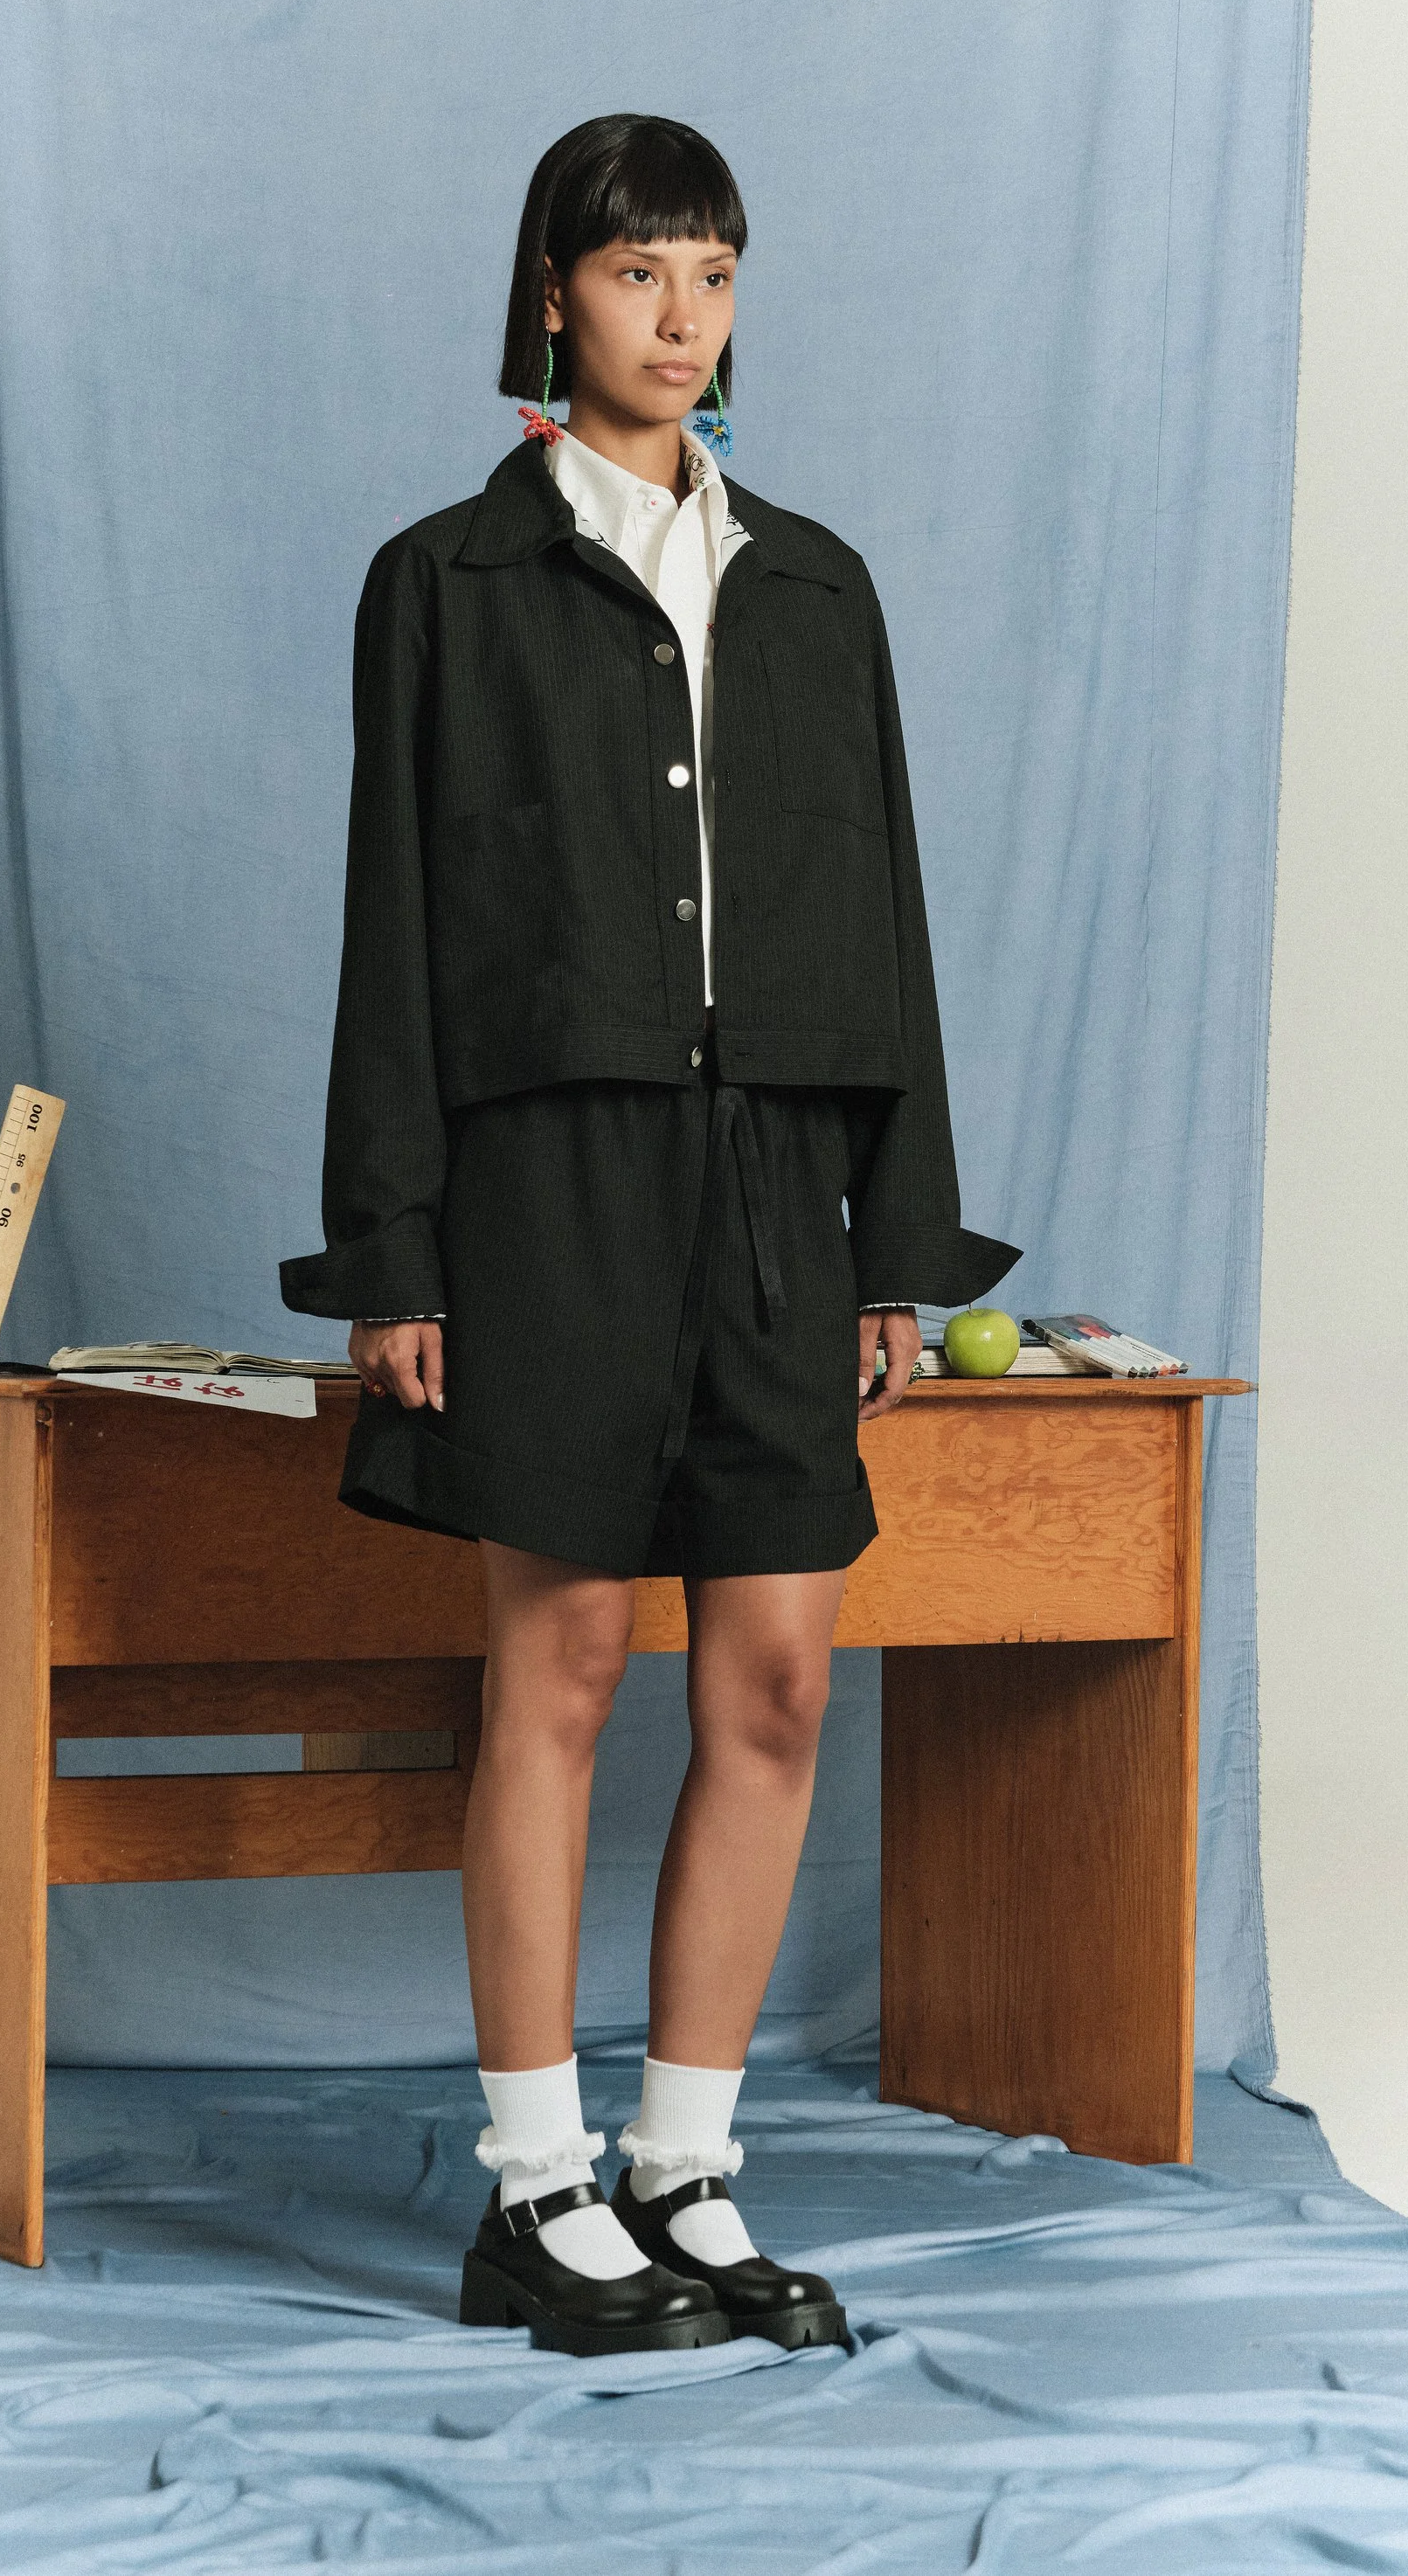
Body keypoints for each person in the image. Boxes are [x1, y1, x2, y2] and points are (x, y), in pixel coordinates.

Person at [281, 113, 1016, 2358]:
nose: (676, 317)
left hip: (770, 1195)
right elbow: (391, 931)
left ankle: (683, 2169)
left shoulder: (813, 585)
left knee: (777, 1670)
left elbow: (878, 913)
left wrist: (892, 1234)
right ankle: (531, 2188)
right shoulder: (449, 583)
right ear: (549, 299)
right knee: (568, 1660)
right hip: (548, 1192)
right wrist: (392, 1254)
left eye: (708, 271)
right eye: (632, 274)